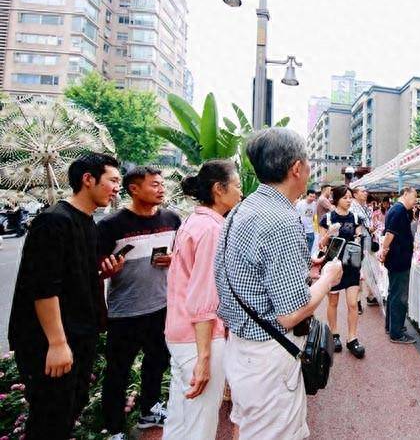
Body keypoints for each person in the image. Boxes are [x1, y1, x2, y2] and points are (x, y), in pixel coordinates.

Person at [215, 128, 343, 440]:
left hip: (243, 349)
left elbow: (241, 273)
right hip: (269, 357)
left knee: (246, 427)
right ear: (296, 168)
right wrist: (327, 279)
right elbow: (291, 313)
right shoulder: (281, 220)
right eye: (308, 164)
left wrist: (304, 269)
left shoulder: (241, 210)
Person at [8, 153, 123, 439]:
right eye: (112, 180)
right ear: (88, 179)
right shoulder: (54, 222)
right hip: (49, 340)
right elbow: (44, 287)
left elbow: (73, 277)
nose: (116, 188)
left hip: (80, 334)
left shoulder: (87, 222)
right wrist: (57, 343)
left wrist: (102, 274)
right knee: (51, 416)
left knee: (71, 406)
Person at [97, 166, 182, 439]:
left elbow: (181, 255)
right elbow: (94, 269)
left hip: (161, 306)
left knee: (157, 362)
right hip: (125, 312)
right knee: (117, 372)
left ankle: (149, 409)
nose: (161, 189)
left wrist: (174, 259)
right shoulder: (111, 226)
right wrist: (106, 271)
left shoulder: (172, 219)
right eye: (154, 185)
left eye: (161, 184)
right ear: (134, 189)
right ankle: (113, 428)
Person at [163, 160, 242, 440]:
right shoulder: (212, 230)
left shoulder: (194, 221)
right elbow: (204, 296)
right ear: (219, 190)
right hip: (199, 338)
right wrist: (205, 356)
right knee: (200, 423)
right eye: (237, 185)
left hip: (180, 332)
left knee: (180, 415)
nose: (240, 192)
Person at [318, 186, 366, 358]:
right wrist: (329, 234)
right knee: (333, 302)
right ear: (337, 198)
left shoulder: (355, 218)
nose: (349, 200)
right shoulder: (327, 218)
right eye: (345, 197)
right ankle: (334, 335)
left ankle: (352, 338)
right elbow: (321, 245)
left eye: (350, 197)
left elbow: (359, 237)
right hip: (333, 264)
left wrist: (359, 240)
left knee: (353, 303)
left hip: (352, 264)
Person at [379, 187, 418, 344]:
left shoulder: (397, 210)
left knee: (393, 293)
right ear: (406, 194)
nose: (415, 201)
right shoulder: (399, 210)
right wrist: (384, 250)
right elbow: (389, 234)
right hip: (399, 259)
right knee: (399, 296)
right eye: (414, 197)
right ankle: (397, 333)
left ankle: (392, 326)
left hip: (397, 258)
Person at [350, 186, 378, 309]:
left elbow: (366, 224)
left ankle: (371, 296)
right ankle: (357, 301)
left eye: (366, 191)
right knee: (358, 271)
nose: (365, 193)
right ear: (355, 194)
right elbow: (354, 226)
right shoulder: (352, 207)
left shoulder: (365, 207)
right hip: (357, 241)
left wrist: (370, 229)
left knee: (369, 269)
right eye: (362, 191)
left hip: (367, 240)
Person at [296, 188, 317, 254]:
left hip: (311, 231)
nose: (312, 198)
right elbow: (296, 216)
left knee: (309, 251)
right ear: (307, 196)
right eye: (311, 196)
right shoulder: (300, 204)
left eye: (314, 197)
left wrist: (315, 229)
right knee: (301, 251)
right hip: (301, 230)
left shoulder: (314, 204)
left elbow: (314, 216)